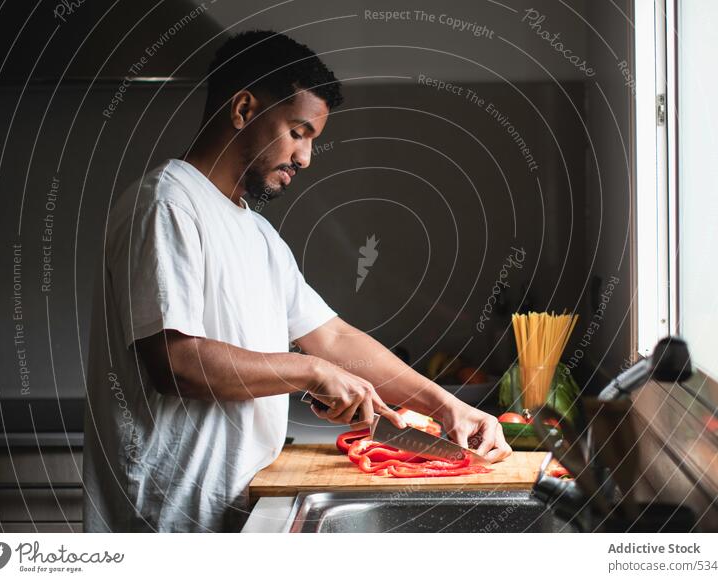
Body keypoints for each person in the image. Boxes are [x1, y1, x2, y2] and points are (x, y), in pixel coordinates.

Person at [82, 30, 512, 533]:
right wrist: (309, 372)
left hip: (235, 505)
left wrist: (447, 407)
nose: (305, 159)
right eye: (298, 132)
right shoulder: (167, 205)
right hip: (167, 518)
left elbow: (330, 338)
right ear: (243, 109)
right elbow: (176, 364)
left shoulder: (257, 233)